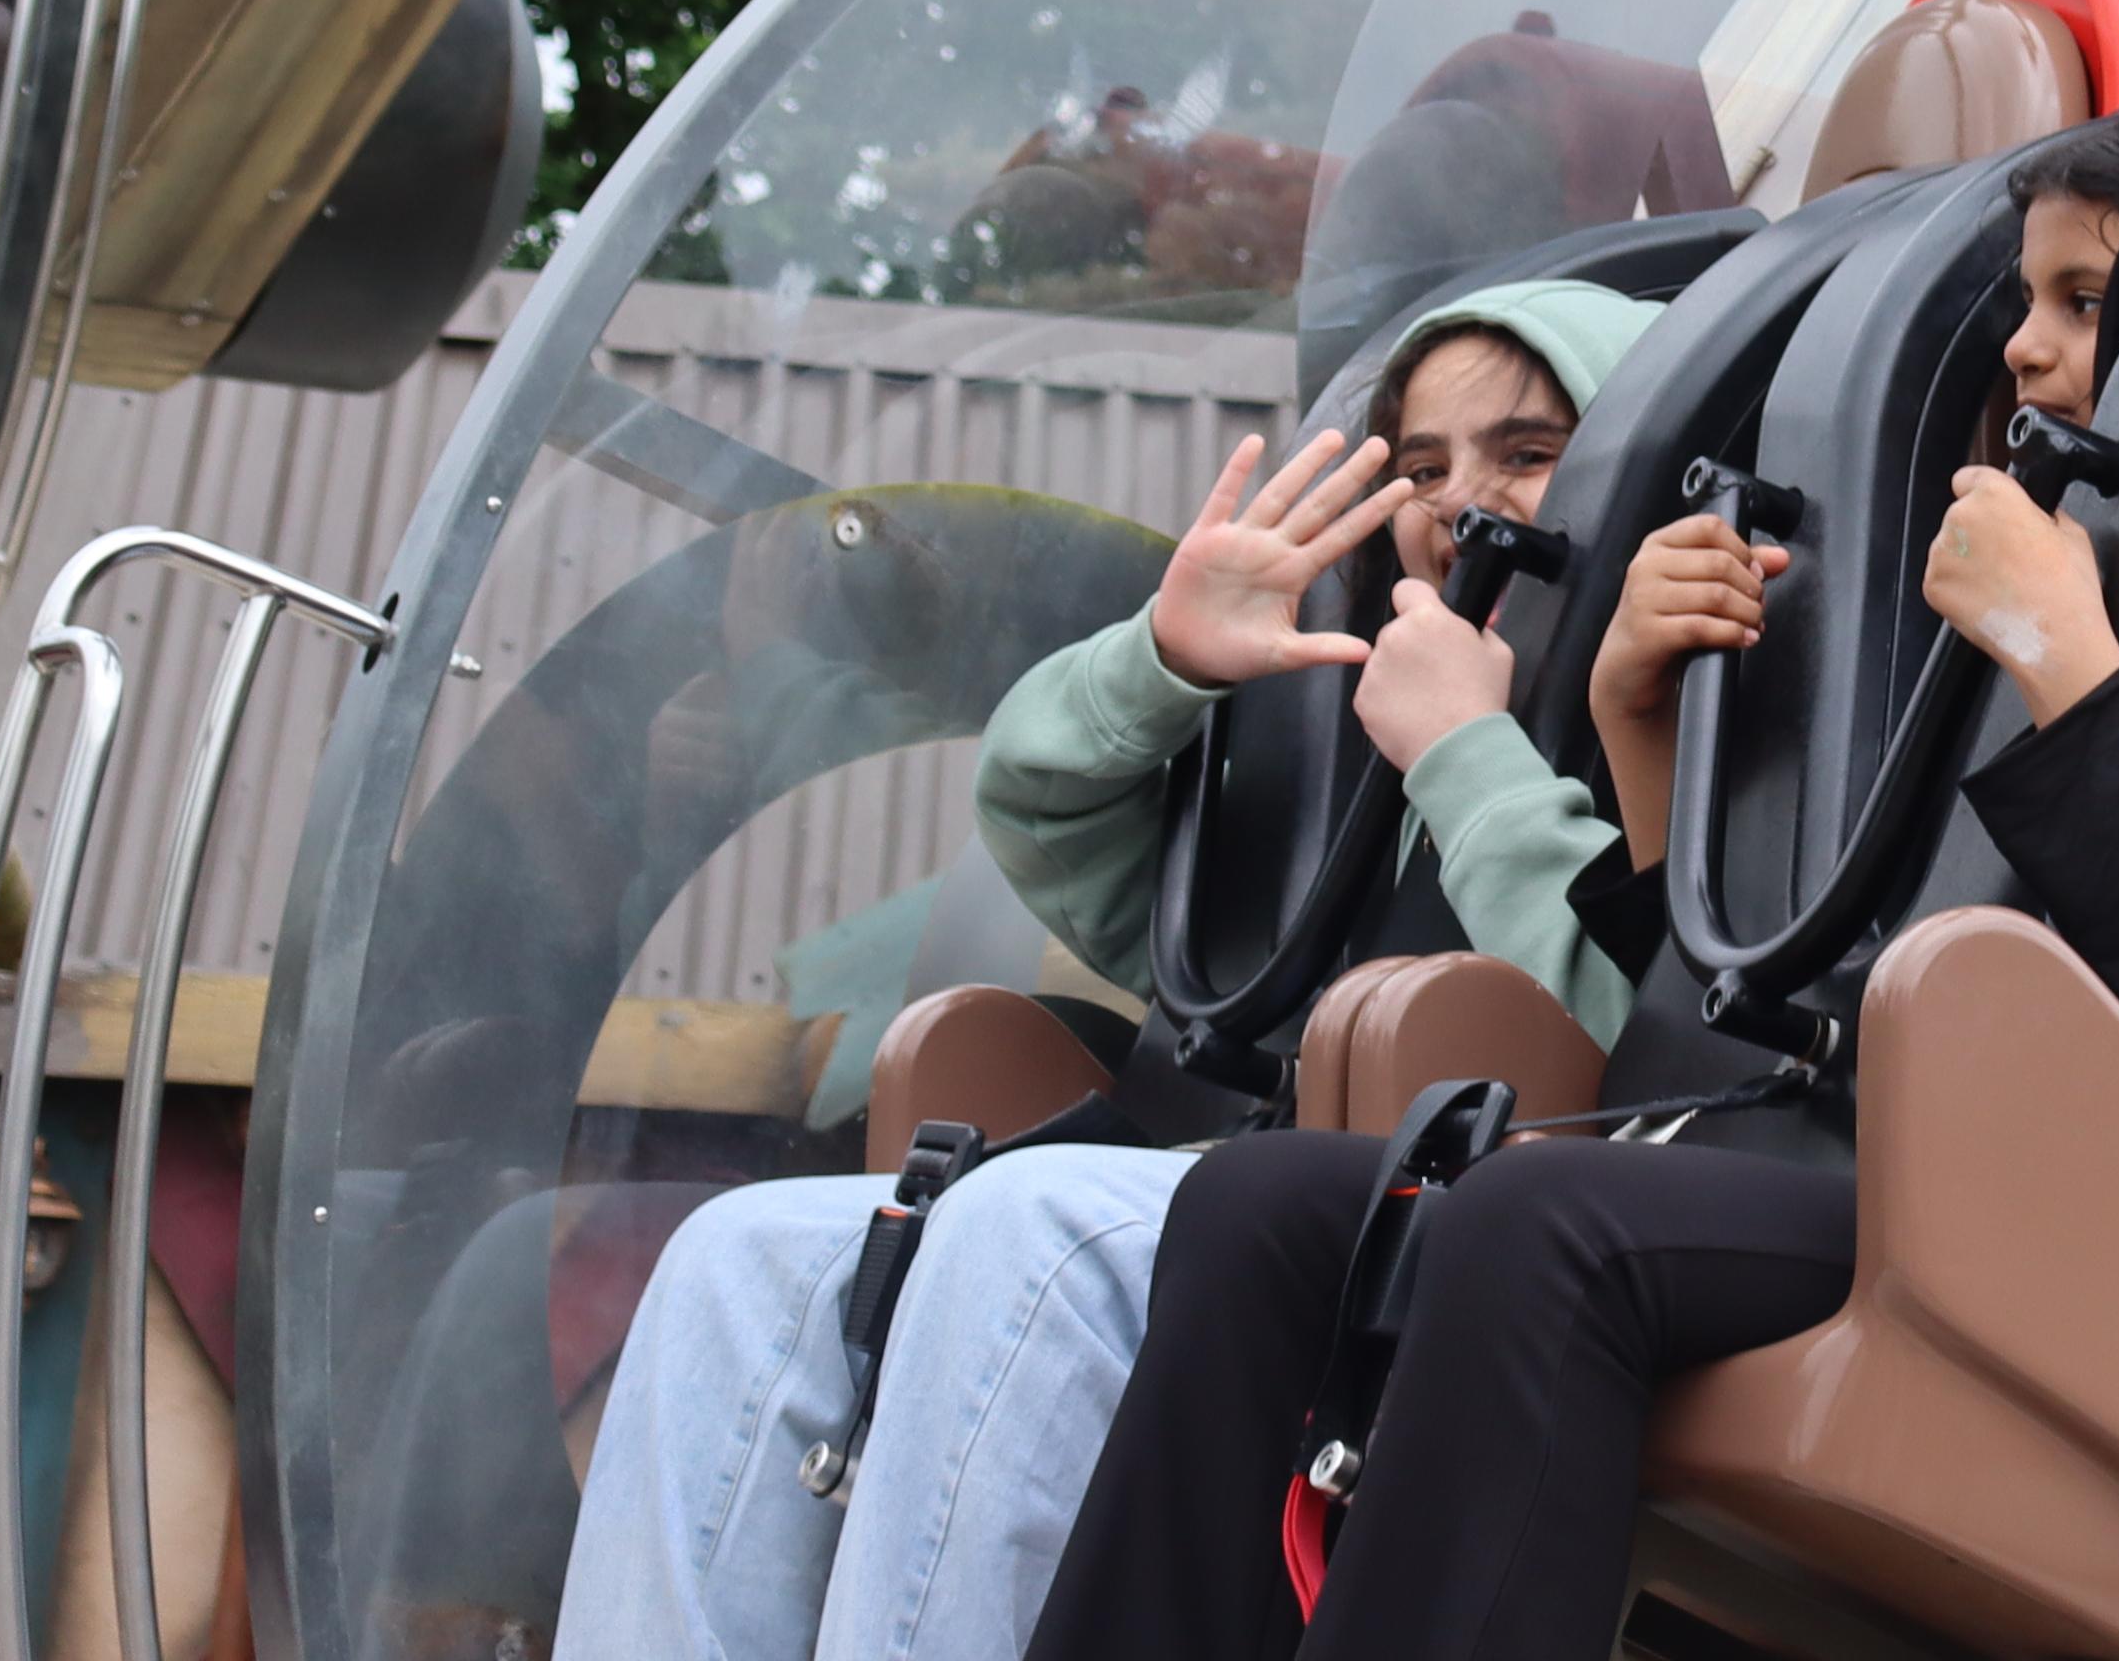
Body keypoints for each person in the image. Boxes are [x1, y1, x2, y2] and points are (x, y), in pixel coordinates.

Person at [1013, 92, 2119, 1661]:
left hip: (2061, 1212)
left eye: (2083, 302)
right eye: (2025, 298)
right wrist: (1639, 717)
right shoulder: (1976, 572)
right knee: (1261, 1206)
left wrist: (2065, 662)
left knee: (1537, 1227)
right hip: (1832, 1147)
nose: (2020, 346)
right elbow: (1759, 972)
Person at [557, 275, 1764, 1661]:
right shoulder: (1352, 732)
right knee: (733, 1260)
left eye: (1530, 452)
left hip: (1452, 1232)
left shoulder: (1691, 709)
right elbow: (1038, 807)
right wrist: (1163, 661)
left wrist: (1466, 757)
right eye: (1423, 467)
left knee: (1034, 1231)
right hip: (1256, 1201)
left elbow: (1650, 1050)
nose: (1459, 503)